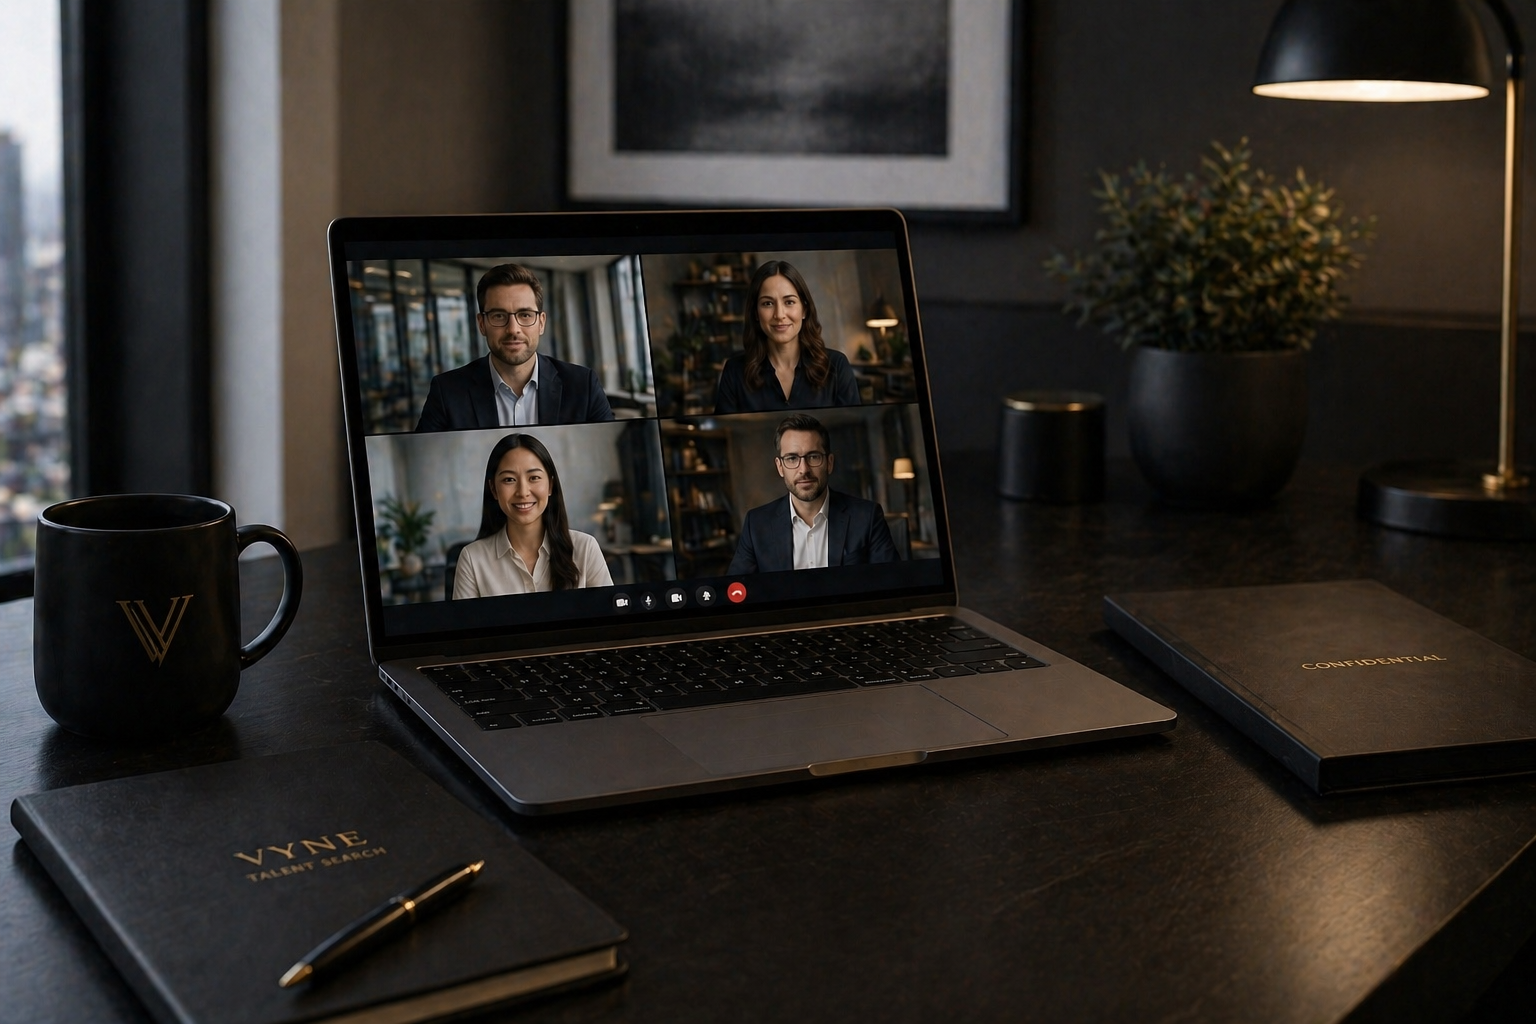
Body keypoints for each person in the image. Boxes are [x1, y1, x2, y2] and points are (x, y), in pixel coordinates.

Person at [416, 263, 613, 431]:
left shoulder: (583, 386)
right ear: (482, 324)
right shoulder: (447, 392)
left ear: (541, 323)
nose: (513, 329)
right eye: (499, 316)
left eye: (525, 315)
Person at [727, 414, 899, 574]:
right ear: (780, 467)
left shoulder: (867, 517)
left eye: (814, 456)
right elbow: (738, 590)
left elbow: (890, 582)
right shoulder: (756, 524)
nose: (804, 470)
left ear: (829, 463)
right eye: (792, 458)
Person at [453, 433, 613, 598]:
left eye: (534, 478)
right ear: (493, 489)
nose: (523, 492)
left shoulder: (585, 548)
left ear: (550, 485)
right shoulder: (472, 559)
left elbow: (609, 620)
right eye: (509, 480)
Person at [712, 260, 861, 414]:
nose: (779, 315)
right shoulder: (734, 372)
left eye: (789, 302)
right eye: (768, 303)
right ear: (756, 313)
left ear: (804, 310)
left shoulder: (837, 366)